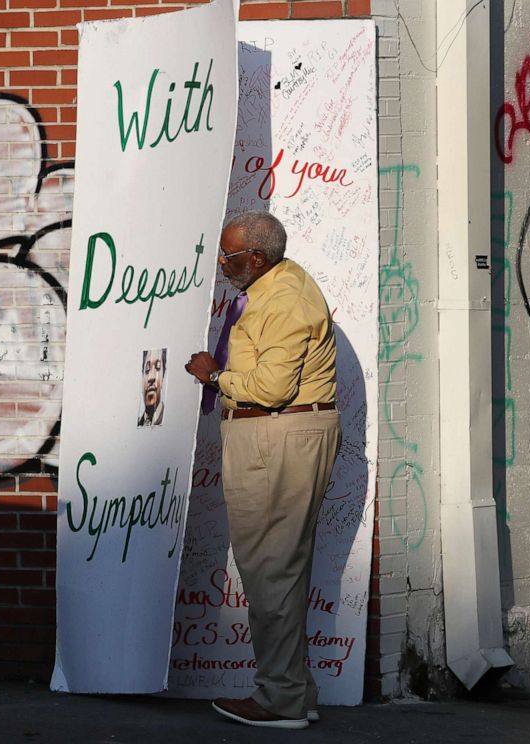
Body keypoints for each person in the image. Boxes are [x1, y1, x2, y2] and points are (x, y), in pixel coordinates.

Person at [184, 211, 340, 730]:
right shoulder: (275, 286)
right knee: (282, 570)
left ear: (256, 257)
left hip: (277, 436)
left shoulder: (285, 298)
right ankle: (296, 691)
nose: (222, 264)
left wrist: (215, 376)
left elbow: (271, 389)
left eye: (229, 256)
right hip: (279, 436)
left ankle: (278, 699)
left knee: (270, 571)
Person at [137, 347, 166, 426]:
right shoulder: (139, 423)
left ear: (163, 377)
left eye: (158, 367)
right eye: (147, 369)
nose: (151, 377)